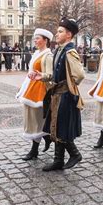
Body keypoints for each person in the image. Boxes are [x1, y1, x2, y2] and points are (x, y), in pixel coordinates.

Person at [30, 18, 85, 171]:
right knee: (56, 127)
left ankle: (75, 154)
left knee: (61, 127)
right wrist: (44, 76)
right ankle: (58, 160)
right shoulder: (59, 50)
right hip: (57, 94)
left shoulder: (70, 52)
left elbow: (79, 75)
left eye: (60, 31)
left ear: (69, 35)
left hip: (65, 96)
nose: (57, 33)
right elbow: (56, 73)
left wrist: (68, 86)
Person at [15, 29, 54, 160]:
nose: (35, 40)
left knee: (38, 120)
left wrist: (40, 75)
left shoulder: (48, 55)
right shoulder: (37, 53)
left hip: (40, 91)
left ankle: (35, 149)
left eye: (38, 38)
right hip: (31, 89)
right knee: (32, 119)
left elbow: (50, 75)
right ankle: (46, 138)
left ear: (46, 40)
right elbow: (32, 71)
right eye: (35, 38)